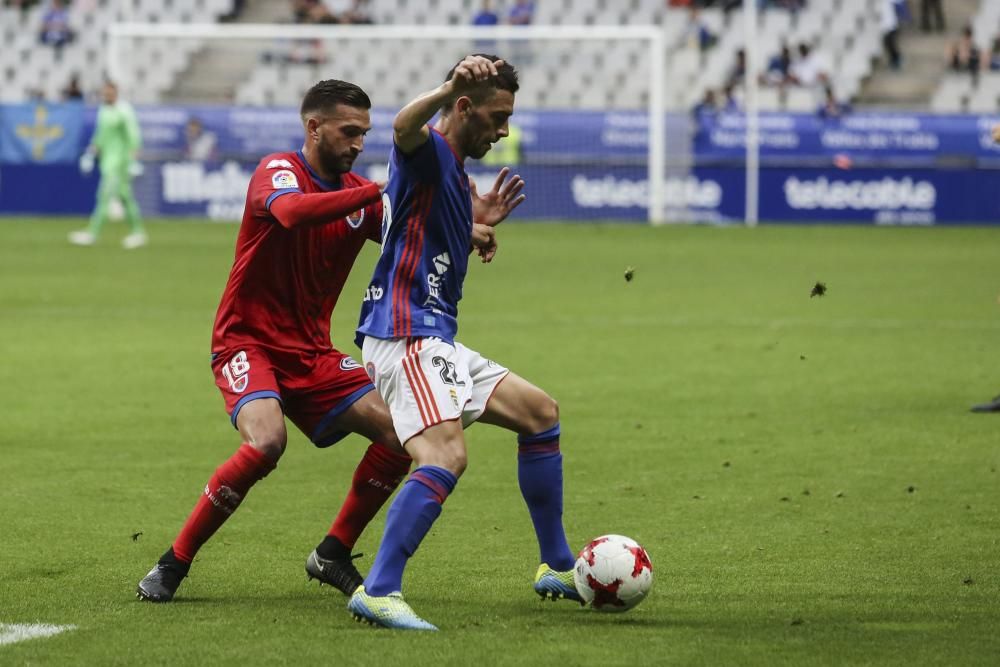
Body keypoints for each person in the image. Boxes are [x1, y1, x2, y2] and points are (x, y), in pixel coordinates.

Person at [135, 80, 421, 603]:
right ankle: (174, 562)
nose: (359, 143)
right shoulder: (279, 170)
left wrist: (472, 228)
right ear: (314, 128)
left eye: (365, 133)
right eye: (349, 131)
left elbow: (413, 234)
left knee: (401, 435)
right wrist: (378, 191)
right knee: (267, 441)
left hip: (312, 353)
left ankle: (332, 552)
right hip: (247, 343)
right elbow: (290, 212)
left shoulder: (358, 197)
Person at [347, 54, 579, 632]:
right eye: (498, 117)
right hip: (404, 332)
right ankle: (378, 590)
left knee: (540, 414)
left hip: (435, 334)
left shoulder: (453, 171)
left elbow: (418, 218)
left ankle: (556, 565)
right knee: (445, 454)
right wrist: (447, 84)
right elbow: (403, 127)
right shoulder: (429, 150)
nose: (504, 131)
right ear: (464, 107)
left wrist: (473, 224)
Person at [69, 81, 147, 249]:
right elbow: (100, 136)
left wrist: (134, 158)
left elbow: (133, 134)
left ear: (116, 93)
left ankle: (93, 233)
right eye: (105, 93)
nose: (106, 96)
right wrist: (90, 153)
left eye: (109, 93)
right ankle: (138, 232)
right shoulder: (104, 110)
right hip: (107, 162)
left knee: (104, 196)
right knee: (125, 197)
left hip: (120, 163)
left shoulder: (124, 110)